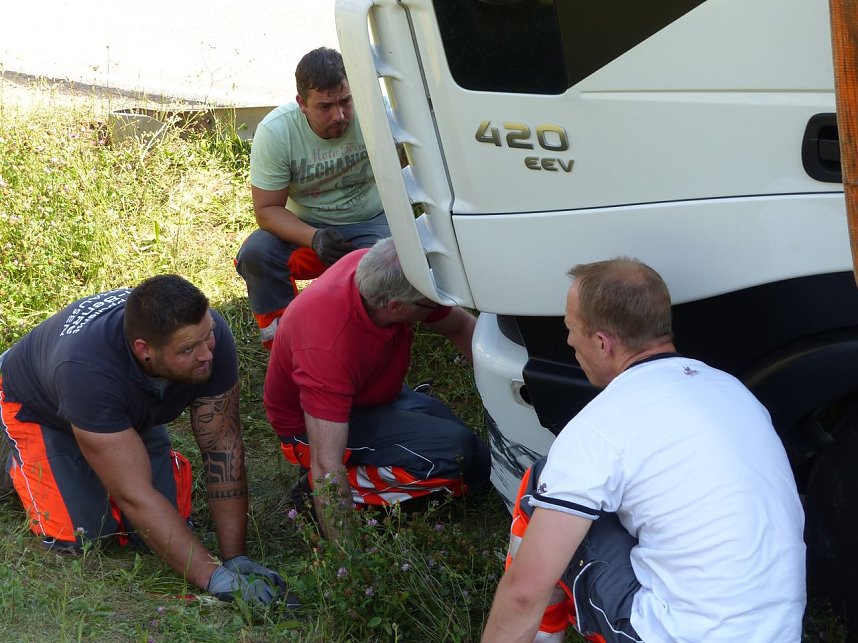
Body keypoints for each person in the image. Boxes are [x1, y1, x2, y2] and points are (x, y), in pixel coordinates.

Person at [482, 258, 806, 643]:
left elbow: (523, 593)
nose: (569, 342)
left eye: (571, 330)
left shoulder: (597, 427)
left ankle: (541, 634)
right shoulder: (734, 392)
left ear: (602, 342)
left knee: (543, 486)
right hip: (781, 632)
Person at [0, 275, 293, 606]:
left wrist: (235, 559)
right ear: (145, 351)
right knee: (83, 536)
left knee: (155, 533)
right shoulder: (86, 368)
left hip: (121, 410)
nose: (206, 355)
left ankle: (103, 455)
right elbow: (135, 495)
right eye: (187, 349)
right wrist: (215, 578)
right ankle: (16, 458)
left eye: (207, 336)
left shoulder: (209, 336)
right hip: (38, 408)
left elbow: (222, 447)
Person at [264, 237, 491, 540]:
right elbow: (326, 464)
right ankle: (318, 495)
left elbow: (460, 327)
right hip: (310, 430)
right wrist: (348, 565)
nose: (438, 307)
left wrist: (515, 389)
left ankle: (392, 450)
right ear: (395, 307)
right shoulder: (326, 348)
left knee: (478, 463)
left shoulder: (379, 271)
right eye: (431, 302)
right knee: (452, 456)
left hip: (372, 394)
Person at [235, 46, 390, 349]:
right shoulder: (277, 132)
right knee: (257, 254)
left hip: (370, 222)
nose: (340, 115)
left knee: (389, 273)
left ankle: (361, 345)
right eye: (325, 107)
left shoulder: (380, 114)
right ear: (301, 103)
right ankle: (284, 344)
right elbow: (267, 210)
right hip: (307, 228)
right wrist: (315, 237)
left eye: (346, 101)